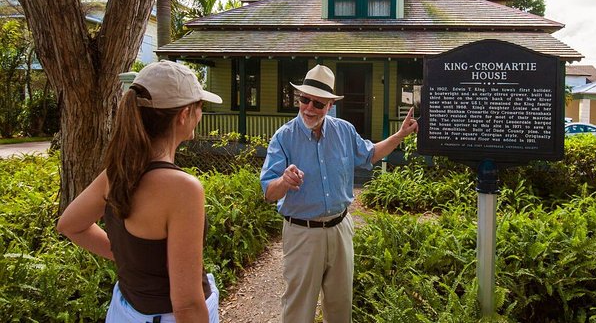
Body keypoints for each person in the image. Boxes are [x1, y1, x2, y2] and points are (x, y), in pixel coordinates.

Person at [57, 60, 222, 322]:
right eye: (199, 107)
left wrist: (131, 259)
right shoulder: (182, 189)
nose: (200, 114)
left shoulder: (117, 172)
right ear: (183, 115)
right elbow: (187, 304)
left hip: (125, 310)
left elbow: (70, 224)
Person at [260, 64, 418, 323]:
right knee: (298, 309)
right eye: (304, 100)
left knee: (340, 306)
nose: (309, 108)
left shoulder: (344, 130)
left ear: (330, 106)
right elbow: (268, 191)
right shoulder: (283, 137)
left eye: (318, 104)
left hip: (340, 228)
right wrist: (284, 181)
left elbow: (370, 155)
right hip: (302, 234)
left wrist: (400, 135)